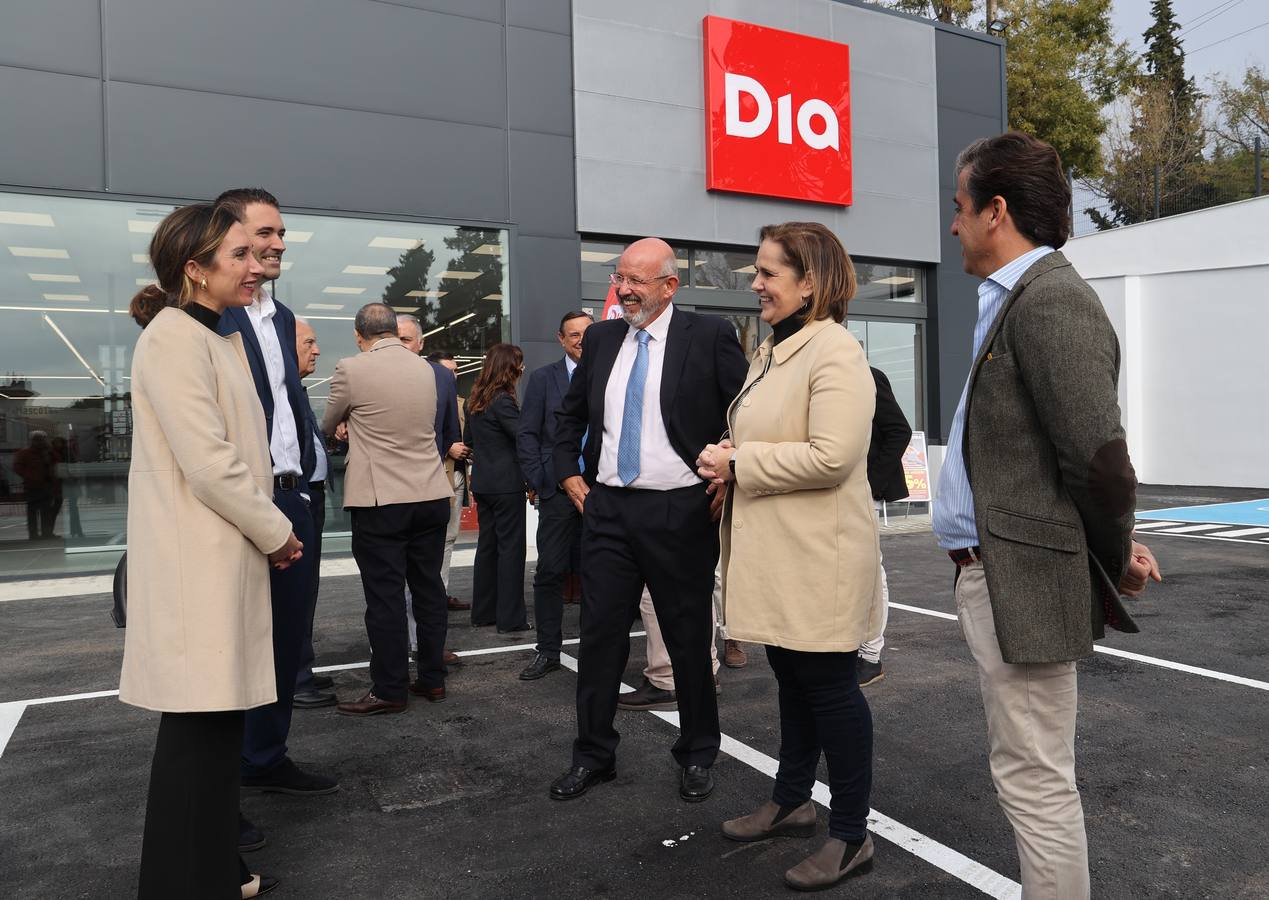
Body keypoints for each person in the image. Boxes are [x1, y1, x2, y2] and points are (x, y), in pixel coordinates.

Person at [935, 132, 1161, 897]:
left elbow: (1098, 463)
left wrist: (1113, 552)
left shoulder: (1052, 301)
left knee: (1033, 783)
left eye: (959, 209)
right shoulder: (1016, 300)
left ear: (995, 211)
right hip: (997, 576)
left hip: (1020, 581)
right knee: (1027, 776)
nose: (953, 226)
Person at [121, 203, 301, 899]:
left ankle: (213, 870)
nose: (257, 266)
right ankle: (183, 882)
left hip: (218, 556)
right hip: (197, 563)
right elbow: (211, 463)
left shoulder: (213, 335)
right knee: (197, 735)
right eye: (240, 256)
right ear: (194, 270)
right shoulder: (173, 339)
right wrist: (276, 530)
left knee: (213, 733)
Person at [698, 221, 881, 891]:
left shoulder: (833, 351)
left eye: (767, 273)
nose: (754, 283)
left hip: (819, 559)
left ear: (810, 282)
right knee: (794, 682)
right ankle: (791, 799)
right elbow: (774, 437)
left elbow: (832, 456)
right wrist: (726, 460)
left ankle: (851, 835)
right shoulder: (776, 349)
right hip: (785, 555)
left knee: (829, 691)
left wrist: (738, 459)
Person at [549, 237, 747, 804]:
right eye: (620, 277)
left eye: (638, 280)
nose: (626, 289)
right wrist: (568, 476)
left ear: (669, 286)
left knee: (687, 639)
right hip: (607, 509)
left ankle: (698, 753)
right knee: (600, 637)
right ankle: (593, 756)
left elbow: (743, 413)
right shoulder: (604, 339)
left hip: (679, 509)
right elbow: (568, 417)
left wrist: (726, 471)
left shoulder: (707, 336)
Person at [212, 189, 338, 811]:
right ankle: (218, 793)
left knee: (287, 639)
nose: (279, 243)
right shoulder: (207, 316)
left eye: (281, 233)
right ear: (229, 236)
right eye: (265, 232)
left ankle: (265, 757)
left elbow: (287, 407)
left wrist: (310, 479)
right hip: (242, 503)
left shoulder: (283, 318)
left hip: (296, 499)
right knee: (233, 647)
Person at [323, 303, 454, 714]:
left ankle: (389, 688)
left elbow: (328, 423)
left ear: (361, 335)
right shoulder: (427, 369)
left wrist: (347, 425)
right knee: (429, 589)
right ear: (395, 332)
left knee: (385, 598)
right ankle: (432, 679)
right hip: (431, 493)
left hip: (382, 500)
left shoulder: (352, 367)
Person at [516, 311, 593, 680]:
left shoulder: (609, 375)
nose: (580, 340)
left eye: (586, 334)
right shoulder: (544, 379)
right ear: (560, 339)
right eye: (573, 334)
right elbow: (528, 433)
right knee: (550, 571)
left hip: (602, 488)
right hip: (558, 490)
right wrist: (540, 478)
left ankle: (600, 649)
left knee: (600, 572)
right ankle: (547, 650)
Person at [397, 316, 467, 670]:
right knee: (396, 576)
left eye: (407, 339)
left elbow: (450, 433)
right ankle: (402, 647)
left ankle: (426, 643)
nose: (401, 345)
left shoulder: (441, 380)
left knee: (431, 569)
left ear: (421, 344)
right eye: (396, 338)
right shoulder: (369, 376)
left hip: (434, 485)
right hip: (388, 493)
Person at [464, 343, 531, 634]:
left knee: (487, 548)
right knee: (511, 551)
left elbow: (469, 441)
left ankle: (483, 612)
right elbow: (522, 438)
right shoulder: (503, 401)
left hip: (483, 483)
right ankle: (510, 619)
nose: (523, 369)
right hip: (506, 485)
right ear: (509, 368)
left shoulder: (474, 400)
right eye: (520, 363)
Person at [856, 365, 913, 686]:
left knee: (870, 572)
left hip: (863, 494)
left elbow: (899, 431)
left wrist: (870, 484)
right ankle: (854, 647)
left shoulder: (868, 375)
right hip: (832, 495)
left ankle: (871, 654)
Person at [291, 318, 338, 710]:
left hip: (313, 497)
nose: (317, 350)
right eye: (309, 342)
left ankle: (301, 667)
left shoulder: (299, 392)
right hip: (299, 500)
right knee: (296, 592)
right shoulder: (281, 392)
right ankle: (294, 677)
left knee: (308, 589)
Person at [426, 350, 470, 610]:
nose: (453, 376)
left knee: (450, 538)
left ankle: (441, 593)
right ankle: (434, 597)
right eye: (448, 371)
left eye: (455, 371)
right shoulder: (425, 401)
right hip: (435, 476)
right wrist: (448, 448)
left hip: (457, 476)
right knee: (437, 540)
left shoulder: (461, 402)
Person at [13, 430, 56, 540]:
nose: (40, 442)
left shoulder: (48, 452)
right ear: (32, 441)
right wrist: (29, 476)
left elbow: (57, 461)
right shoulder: (24, 453)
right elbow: (17, 467)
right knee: (32, 512)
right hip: (32, 486)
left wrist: (49, 450)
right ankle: (33, 534)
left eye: (42, 439)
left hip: (46, 485)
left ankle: (47, 533)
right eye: (37, 439)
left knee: (46, 511)